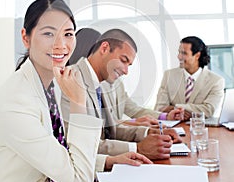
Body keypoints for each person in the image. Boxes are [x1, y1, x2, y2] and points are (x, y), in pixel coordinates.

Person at [0, 0, 150, 182]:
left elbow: (59, 155)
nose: (61, 44)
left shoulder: (48, 85)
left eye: (68, 34)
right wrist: (78, 102)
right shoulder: (16, 102)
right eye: (48, 34)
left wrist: (108, 161)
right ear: (26, 37)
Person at [61, 28, 182, 163]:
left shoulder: (99, 82)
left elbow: (108, 130)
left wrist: (148, 133)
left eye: (129, 65)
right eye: (123, 60)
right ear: (105, 48)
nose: (126, 71)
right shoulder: (70, 80)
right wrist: (138, 148)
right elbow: (83, 145)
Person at [154, 36, 225, 120]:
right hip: (173, 128)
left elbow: (208, 110)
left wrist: (176, 108)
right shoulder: (169, 75)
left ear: (197, 55)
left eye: (184, 53)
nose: (179, 57)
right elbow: (159, 108)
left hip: (201, 128)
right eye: (179, 52)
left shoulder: (216, 81)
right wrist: (194, 110)